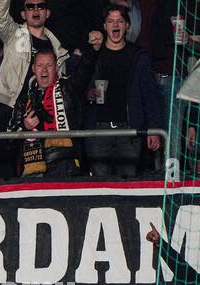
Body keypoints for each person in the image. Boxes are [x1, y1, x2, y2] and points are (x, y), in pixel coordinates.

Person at [72, 4, 161, 178]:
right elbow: (77, 86)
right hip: (97, 131)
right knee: (100, 186)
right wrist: (89, 94)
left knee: (127, 186)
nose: (115, 25)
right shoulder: (94, 53)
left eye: (120, 21)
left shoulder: (138, 56)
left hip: (129, 131)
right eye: (111, 21)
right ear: (104, 26)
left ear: (127, 25)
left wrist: (154, 129)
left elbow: (150, 96)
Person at [7, 48, 80, 178]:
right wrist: (25, 126)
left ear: (57, 69)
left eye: (49, 65)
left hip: (64, 164)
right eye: (40, 65)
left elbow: (84, 73)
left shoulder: (68, 89)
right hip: (32, 170)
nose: (44, 70)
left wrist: (93, 51)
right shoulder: (24, 99)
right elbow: (9, 139)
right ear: (33, 69)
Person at [0, 0, 67, 115]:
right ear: (23, 14)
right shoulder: (13, 34)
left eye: (40, 6)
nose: (36, 10)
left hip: (42, 111)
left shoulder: (57, 47)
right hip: (8, 106)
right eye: (30, 7)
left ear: (47, 13)